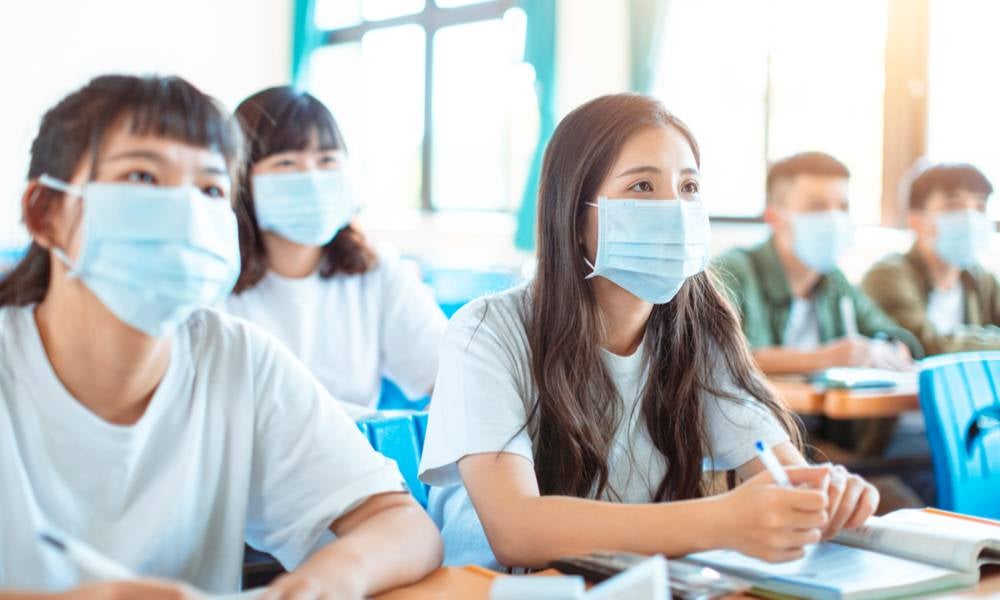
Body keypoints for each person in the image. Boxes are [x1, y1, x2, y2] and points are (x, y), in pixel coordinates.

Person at [0, 75, 441, 599]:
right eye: (141, 176)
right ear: (45, 214)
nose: (184, 210)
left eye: (209, 188)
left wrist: (325, 581)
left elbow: (402, 524)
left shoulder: (240, 360)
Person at [419, 94, 878, 570]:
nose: (675, 211)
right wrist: (724, 520)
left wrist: (822, 497)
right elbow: (516, 531)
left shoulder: (701, 327)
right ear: (575, 217)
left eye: (689, 187)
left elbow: (780, 470)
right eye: (642, 186)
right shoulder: (486, 331)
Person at [226, 87, 446, 411]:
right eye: (286, 162)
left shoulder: (376, 273)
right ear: (241, 177)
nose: (312, 177)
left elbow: (451, 380)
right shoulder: (216, 281)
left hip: (357, 459)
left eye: (327, 160)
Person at [715, 152, 923, 376]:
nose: (834, 219)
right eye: (816, 207)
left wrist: (887, 347)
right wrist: (828, 358)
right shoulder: (732, 272)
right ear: (774, 218)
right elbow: (721, 358)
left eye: (842, 208)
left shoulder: (834, 280)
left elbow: (893, 334)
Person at [863, 163, 999, 355]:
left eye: (980, 207)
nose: (970, 217)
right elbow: (924, 345)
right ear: (916, 221)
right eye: (954, 206)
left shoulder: (982, 279)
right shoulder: (887, 274)